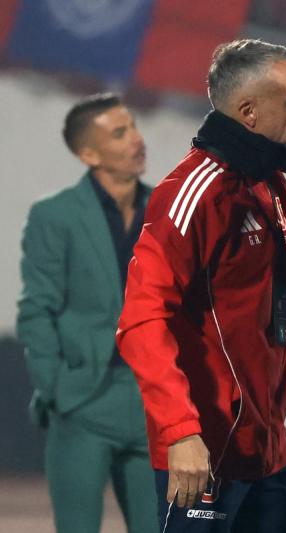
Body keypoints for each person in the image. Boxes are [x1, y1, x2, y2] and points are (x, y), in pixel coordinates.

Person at [115, 39, 286, 532]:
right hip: (206, 454)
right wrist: (180, 432)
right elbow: (141, 320)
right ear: (249, 112)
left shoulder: (266, 182)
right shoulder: (192, 193)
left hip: (267, 454)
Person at [17, 93, 157, 532]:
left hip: (155, 398)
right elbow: (36, 309)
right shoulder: (54, 215)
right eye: (120, 133)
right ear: (88, 154)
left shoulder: (168, 211)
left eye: (133, 126)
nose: (137, 140)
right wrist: (57, 388)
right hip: (84, 400)